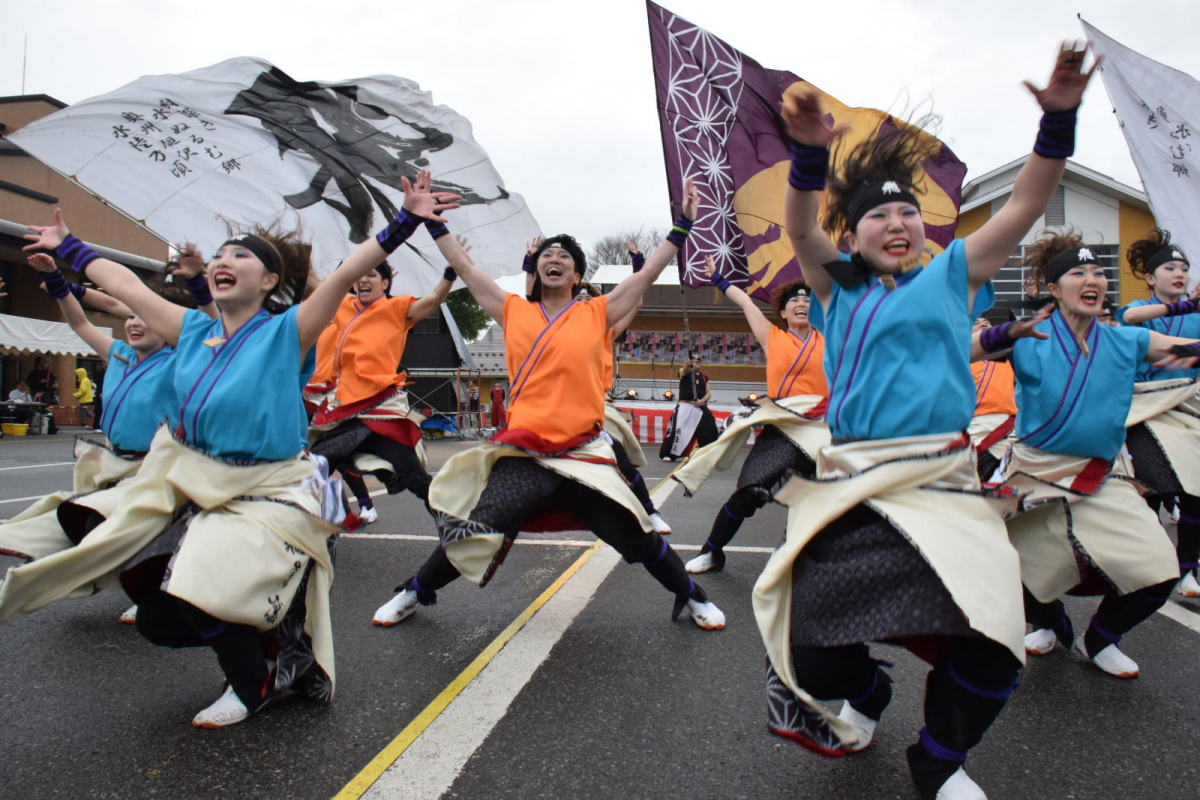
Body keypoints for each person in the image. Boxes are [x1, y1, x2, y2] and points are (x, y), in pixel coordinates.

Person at [758, 42, 1098, 800]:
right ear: (853, 236)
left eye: (908, 210)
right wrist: (808, 161)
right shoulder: (835, 288)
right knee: (811, 651)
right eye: (877, 214)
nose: (897, 221)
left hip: (944, 483)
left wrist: (1059, 123)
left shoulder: (952, 274)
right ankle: (870, 696)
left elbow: (1025, 205)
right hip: (853, 485)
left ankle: (938, 762)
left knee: (991, 650)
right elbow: (803, 233)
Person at [1, 175, 458, 727]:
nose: (224, 259)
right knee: (157, 621)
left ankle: (254, 684)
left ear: (268, 280)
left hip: (269, 491)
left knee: (198, 591)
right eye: (219, 254)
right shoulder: (190, 329)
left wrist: (406, 220)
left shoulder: (287, 332)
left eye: (240, 254)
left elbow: (345, 274)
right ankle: (271, 643)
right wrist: (68, 247)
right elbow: (125, 285)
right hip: (193, 481)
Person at [371, 177, 726, 632]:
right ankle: (415, 590)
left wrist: (681, 229)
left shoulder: (597, 312)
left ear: (578, 275)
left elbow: (645, 275)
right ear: (536, 271)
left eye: (565, 257)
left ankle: (691, 595)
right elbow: (466, 267)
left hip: (583, 450)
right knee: (479, 524)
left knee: (633, 534)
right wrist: (434, 225)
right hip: (526, 452)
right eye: (547, 256)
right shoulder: (512, 308)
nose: (554, 260)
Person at [989, 232, 1199, 681]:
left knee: (1160, 572)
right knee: (1008, 567)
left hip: (1103, 475)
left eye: (1099, 272)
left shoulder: (1128, 340)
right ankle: (1049, 622)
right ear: (1053, 288)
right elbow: (951, 353)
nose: (1092, 279)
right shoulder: (1028, 339)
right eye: (1077, 272)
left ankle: (1099, 638)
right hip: (1034, 473)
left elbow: (1183, 352)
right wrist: (1000, 333)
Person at [0, 252, 203, 626]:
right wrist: (61, 285)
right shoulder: (120, 354)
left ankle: (152, 596)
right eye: (130, 317)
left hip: (162, 467)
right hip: (116, 461)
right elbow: (79, 321)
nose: (134, 324)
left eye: (145, 317)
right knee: (95, 525)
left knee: (147, 534)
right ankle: (140, 588)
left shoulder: (181, 360)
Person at [306, 194, 456, 526]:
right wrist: (298, 249)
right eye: (359, 274)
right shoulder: (341, 305)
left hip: (380, 405)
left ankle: (453, 523)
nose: (363, 279)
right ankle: (315, 524)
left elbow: (432, 301)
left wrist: (449, 273)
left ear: (386, 283)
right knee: (319, 462)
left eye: (372, 274)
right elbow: (314, 283)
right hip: (343, 405)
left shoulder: (397, 309)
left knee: (410, 473)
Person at [674, 256, 830, 574]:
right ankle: (712, 551)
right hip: (783, 426)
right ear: (783, 312)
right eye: (794, 300)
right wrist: (717, 277)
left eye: (808, 299)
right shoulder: (773, 337)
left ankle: (828, 561)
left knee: (839, 497)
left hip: (825, 428)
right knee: (746, 493)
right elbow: (745, 301)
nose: (802, 303)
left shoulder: (833, 341)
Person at [1114, 230, 1200, 598]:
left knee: (1195, 495)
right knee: (1149, 492)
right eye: (1169, 267)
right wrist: (1185, 307)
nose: (1179, 273)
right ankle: (1149, 567)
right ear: (1150, 277)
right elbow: (1129, 317)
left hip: (1189, 410)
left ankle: (1185, 569)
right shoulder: (1137, 312)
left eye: (1184, 268)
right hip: (1146, 411)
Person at [968, 316, 1018, 483]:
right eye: (976, 322)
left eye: (987, 322)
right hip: (974, 426)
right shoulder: (960, 357)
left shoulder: (1009, 354)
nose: (983, 323)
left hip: (1006, 427)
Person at [659, 353, 718, 461]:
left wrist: (701, 401)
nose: (695, 364)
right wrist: (687, 365)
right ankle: (669, 454)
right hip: (685, 406)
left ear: (700, 365)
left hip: (700, 406)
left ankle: (709, 452)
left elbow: (708, 393)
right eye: (693, 362)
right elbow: (683, 371)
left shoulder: (704, 377)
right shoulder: (684, 372)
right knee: (677, 430)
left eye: (697, 363)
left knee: (710, 428)